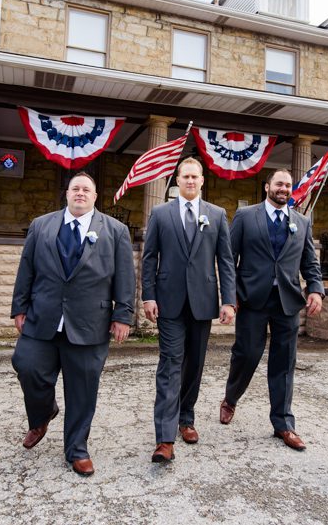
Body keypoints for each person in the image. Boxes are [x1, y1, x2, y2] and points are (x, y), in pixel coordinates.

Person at [10, 172, 135, 477]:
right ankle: (42, 413)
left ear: (95, 197)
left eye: (86, 189)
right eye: (75, 188)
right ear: (66, 194)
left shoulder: (116, 230)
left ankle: (77, 449)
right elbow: (26, 268)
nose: (80, 193)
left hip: (91, 320)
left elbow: (125, 277)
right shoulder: (42, 225)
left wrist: (123, 315)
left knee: (83, 389)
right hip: (43, 317)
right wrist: (19, 307)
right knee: (25, 365)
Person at [219, 169, 324, 450]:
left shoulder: (301, 222)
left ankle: (283, 424)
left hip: (287, 301)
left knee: (284, 362)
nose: (284, 188)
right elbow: (229, 258)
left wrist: (315, 288)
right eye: (279, 183)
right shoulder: (246, 216)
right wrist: (230, 295)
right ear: (267, 186)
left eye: (288, 185)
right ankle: (231, 398)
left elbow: (309, 263)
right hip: (252, 299)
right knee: (247, 354)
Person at [142, 157, 236, 463]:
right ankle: (164, 438)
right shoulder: (160, 213)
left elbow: (225, 260)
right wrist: (148, 296)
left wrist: (228, 300)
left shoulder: (217, 214)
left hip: (202, 301)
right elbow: (149, 258)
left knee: (194, 363)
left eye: (195, 177)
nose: (190, 181)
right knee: (170, 363)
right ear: (177, 180)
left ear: (202, 180)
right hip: (168, 301)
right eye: (185, 177)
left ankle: (186, 418)